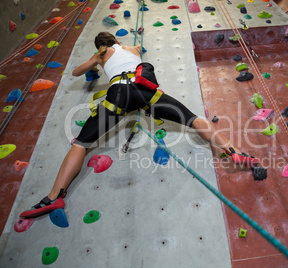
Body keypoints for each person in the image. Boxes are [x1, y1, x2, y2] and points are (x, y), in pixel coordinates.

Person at [20, 32, 260, 218]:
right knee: (194, 119)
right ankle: (234, 151)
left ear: (100, 46)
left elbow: (75, 72)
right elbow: (133, 54)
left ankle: (54, 197)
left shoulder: (101, 54)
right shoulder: (131, 47)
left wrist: (94, 64)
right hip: (146, 92)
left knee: (82, 143)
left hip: (119, 95)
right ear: (116, 40)